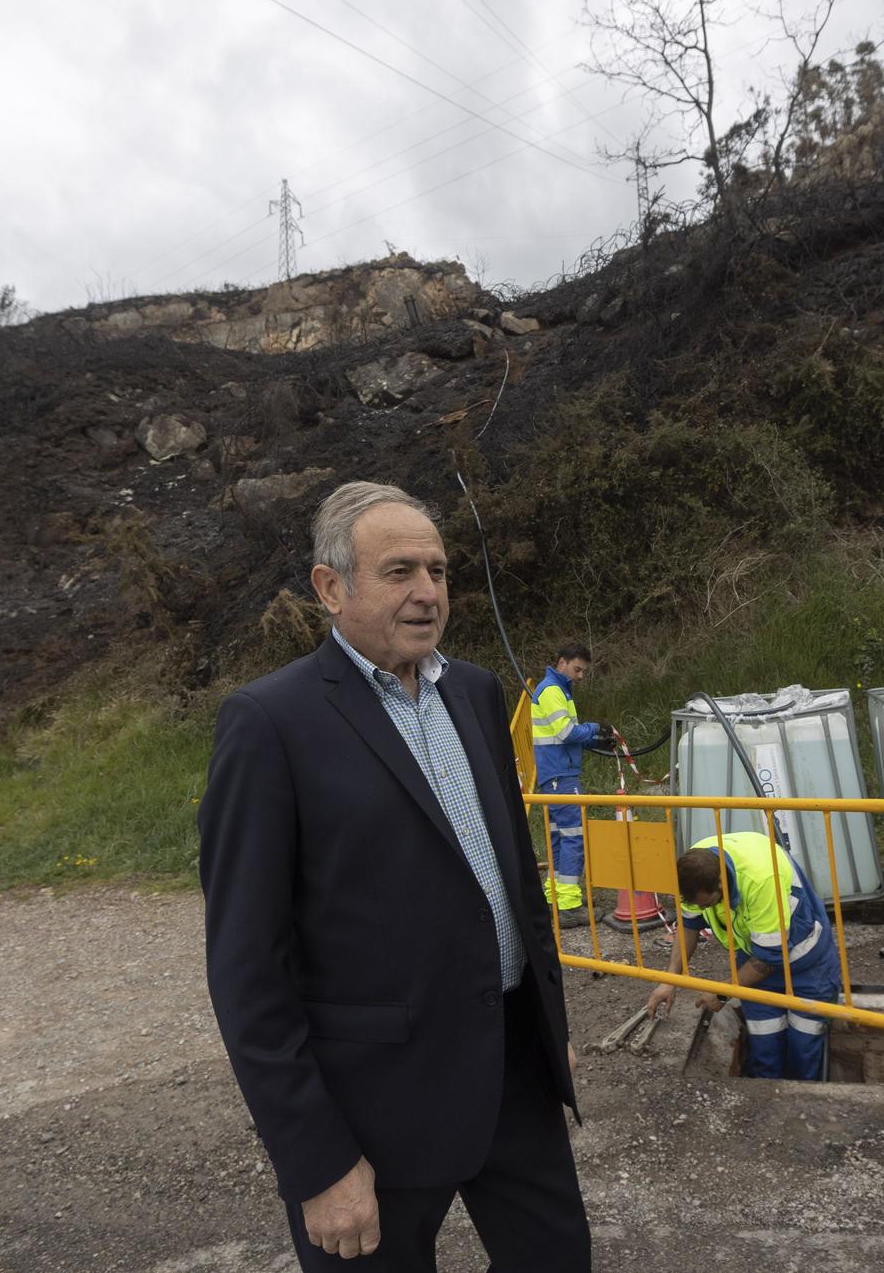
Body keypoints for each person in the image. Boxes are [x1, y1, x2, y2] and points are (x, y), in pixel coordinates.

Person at [199, 480, 590, 1270]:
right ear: (330, 586)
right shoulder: (271, 723)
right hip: (372, 1109)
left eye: (439, 571)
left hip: (513, 1072)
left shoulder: (476, 691)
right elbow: (247, 971)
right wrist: (316, 1161)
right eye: (401, 571)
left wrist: (552, 1026)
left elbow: (516, 876)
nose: (427, 593)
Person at [644, 833, 841, 1080]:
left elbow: (770, 957)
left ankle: (803, 1103)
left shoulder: (761, 880)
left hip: (806, 964)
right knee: (764, 1044)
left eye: (709, 904)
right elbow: (689, 925)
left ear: (722, 885)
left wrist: (724, 992)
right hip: (753, 963)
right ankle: (764, 1102)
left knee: (805, 1045)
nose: (705, 911)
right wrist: (670, 979)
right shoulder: (693, 873)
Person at [529, 644, 606, 925]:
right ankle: (571, 905)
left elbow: (564, 734)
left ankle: (555, 898)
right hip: (562, 776)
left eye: (584, 671)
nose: (581, 676)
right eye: (577, 669)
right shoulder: (552, 690)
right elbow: (566, 732)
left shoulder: (556, 690)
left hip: (553, 777)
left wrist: (593, 740)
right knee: (573, 836)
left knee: (559, 838)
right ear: (561, 662)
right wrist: (595, 729)